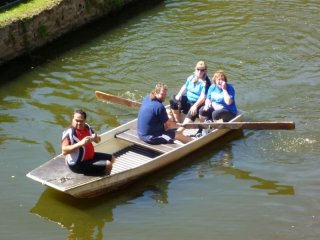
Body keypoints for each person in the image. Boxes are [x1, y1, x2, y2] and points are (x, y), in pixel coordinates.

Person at [61, 109, 115, 175]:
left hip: (90, 157)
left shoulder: (87, 127)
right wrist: (81, 143)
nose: (79, 123)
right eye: (76, 121)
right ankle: (105, 178)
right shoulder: (69, 133)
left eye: (81, 121)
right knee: (108, 164)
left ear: (85, 120)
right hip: (78, 164)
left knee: (112, 158)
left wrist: (96, 138)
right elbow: (64, 151)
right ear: (73, 119)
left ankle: (99, 173)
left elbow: (98, 140)